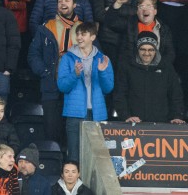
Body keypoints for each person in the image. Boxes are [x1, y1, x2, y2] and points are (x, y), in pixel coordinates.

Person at [57, 22, 113, 159]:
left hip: (97, 114)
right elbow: (62, 86)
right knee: (74, 156)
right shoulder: (67, 58)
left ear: (93, 37)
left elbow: (108, 88)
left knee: (96, 157)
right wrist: (74, 74)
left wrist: (102, 72)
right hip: (74, 114)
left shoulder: (102, 59)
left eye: (83, 34)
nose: (79, 37)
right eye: (77, 34)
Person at [113, 30, 185, 123]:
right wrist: (126, 116)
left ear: (156, 50)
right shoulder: (127, 67)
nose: (146, 53)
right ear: (137, 49)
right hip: (134, 124)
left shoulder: (166, 67)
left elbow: (176, 95)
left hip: (162, 124)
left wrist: (177, 116)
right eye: (143, 49)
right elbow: (120, 94)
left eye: (150, 49)